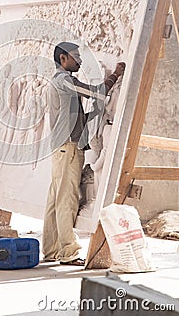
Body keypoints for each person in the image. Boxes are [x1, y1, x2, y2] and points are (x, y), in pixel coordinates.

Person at [42, 42, 125, 266]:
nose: (79, 61)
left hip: (62, 148)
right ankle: (68, 251)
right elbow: (96, 93)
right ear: (63, 59)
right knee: (66, 200)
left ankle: (51, 249)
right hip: (67, 148)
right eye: (75, 57)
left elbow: (79, 115)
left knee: (55, 199)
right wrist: (115, 75)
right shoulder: (64, 81)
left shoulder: (61, 82)